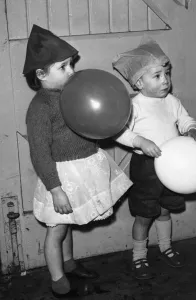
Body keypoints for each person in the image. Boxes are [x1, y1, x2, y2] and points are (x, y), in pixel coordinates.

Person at [23, 24, 132, 298]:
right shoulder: (41, 107)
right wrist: (55, 188)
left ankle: (69, 264)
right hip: (61, 177)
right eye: (63, 67)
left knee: (69, 222)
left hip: (84, 168)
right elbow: (39, 152)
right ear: (41, 73)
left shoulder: (75, 93)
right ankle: (59, 282)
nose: (72, 71)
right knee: (57, 229)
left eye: (71, 64)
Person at [112, 37, 196, 280]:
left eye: (167, 73)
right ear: (138, 82)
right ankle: (139, 255)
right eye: (156, 76)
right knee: (144, 214)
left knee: (165, 210)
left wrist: (192, 129)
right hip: (146, 168)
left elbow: (185, 118)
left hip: (174, 167)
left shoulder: (171, 101)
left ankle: (165, 246)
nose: (165, 80)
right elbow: (120, 132)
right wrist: (140, 142)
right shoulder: (134, 106)